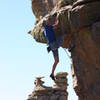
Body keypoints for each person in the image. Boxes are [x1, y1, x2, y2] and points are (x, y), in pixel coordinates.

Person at [42, 16, 62, 80]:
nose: (50, 22)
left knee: (57, 61)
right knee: (63, 36)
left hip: (52, 46)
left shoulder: (46, 28)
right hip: (53, 44)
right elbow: (57, 25)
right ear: (46, 23)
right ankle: (71, 45)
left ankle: (52, 74)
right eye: (49, 21)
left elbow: (55, 25)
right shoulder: (48, 28)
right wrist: (58, 18)